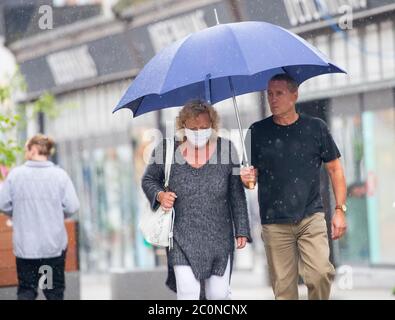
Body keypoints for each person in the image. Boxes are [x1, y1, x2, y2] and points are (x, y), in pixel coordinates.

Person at [241, 74, 347, 300]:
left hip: (311, 217)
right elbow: (250, 182)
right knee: (284, 291)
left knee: (320, 273)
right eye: (269, 94)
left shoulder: (316, 127)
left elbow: (335, 169)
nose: (273, 99)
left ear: (294, 95)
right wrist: (247, 178)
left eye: (279, 93)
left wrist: (340, 210)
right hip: (274, 222)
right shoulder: (255, 131)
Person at [142, 100, 252, 300]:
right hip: (181, 237)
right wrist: (160, 195)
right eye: (193, 128)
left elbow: (236, 194)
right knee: (188, 293)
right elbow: (149, 179)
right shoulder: (166, 151)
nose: (199, 132)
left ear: (213, 125)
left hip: (219, 237)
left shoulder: (226, 149)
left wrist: (242, 229)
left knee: (218, 295)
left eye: (204, 127)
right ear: (183, 126)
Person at [0, 134, 80, 300]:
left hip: (26, 248)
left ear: (34, 149)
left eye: (26, 149)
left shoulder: (16, 176)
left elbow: (2, 204)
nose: (25, 153)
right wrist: (56, 214)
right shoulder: (60, 176)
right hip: (52, 248)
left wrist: (19, 214)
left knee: (27, 292)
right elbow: (72, 206)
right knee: (53, 293)